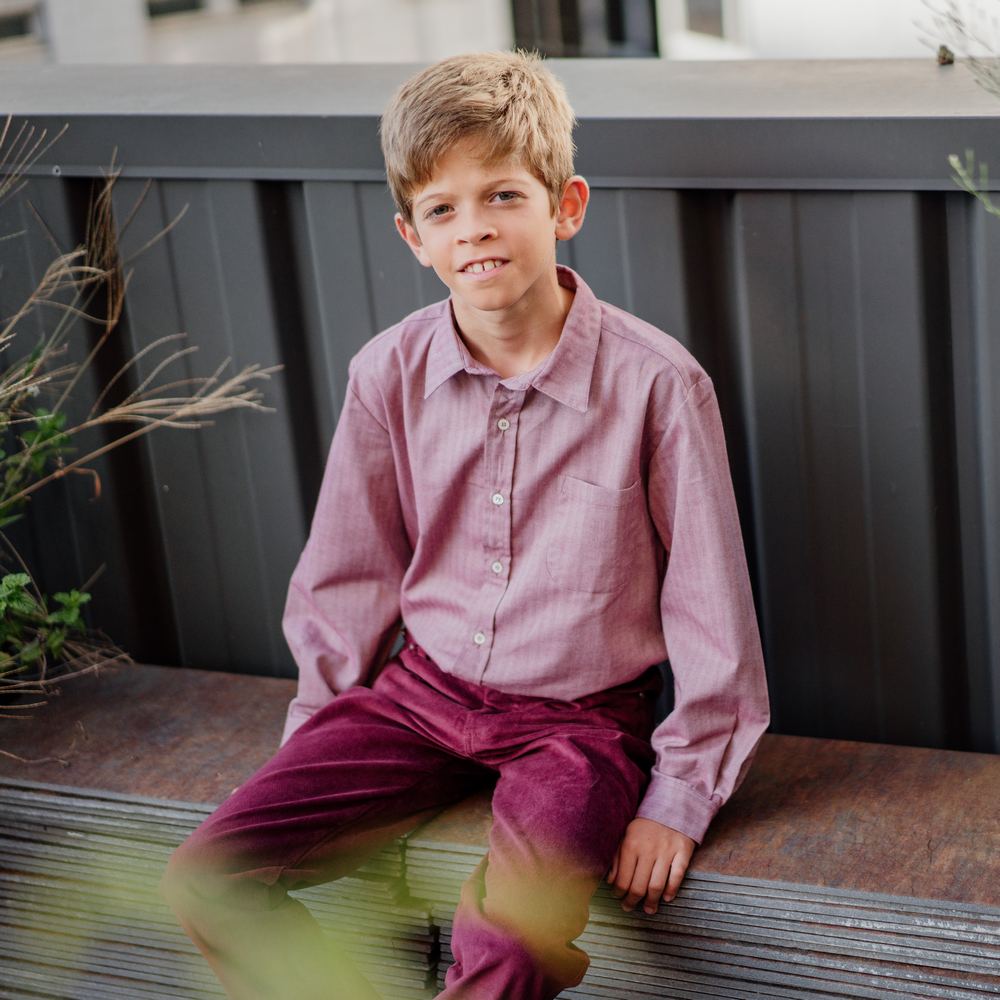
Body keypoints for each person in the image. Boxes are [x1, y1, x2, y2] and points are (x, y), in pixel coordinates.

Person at [160, 48, 770, 1000]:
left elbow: (710, 613)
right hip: (417, 697)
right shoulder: (387, 374)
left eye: (502, 197)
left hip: (579, 726)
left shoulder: (658, 386)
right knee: (206, 875)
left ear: (565, 206)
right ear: (412, 234)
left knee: (514, 941)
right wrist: (319, 735)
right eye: (443, 209)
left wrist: (678, 800)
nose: (474, 229)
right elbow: (348, 572)